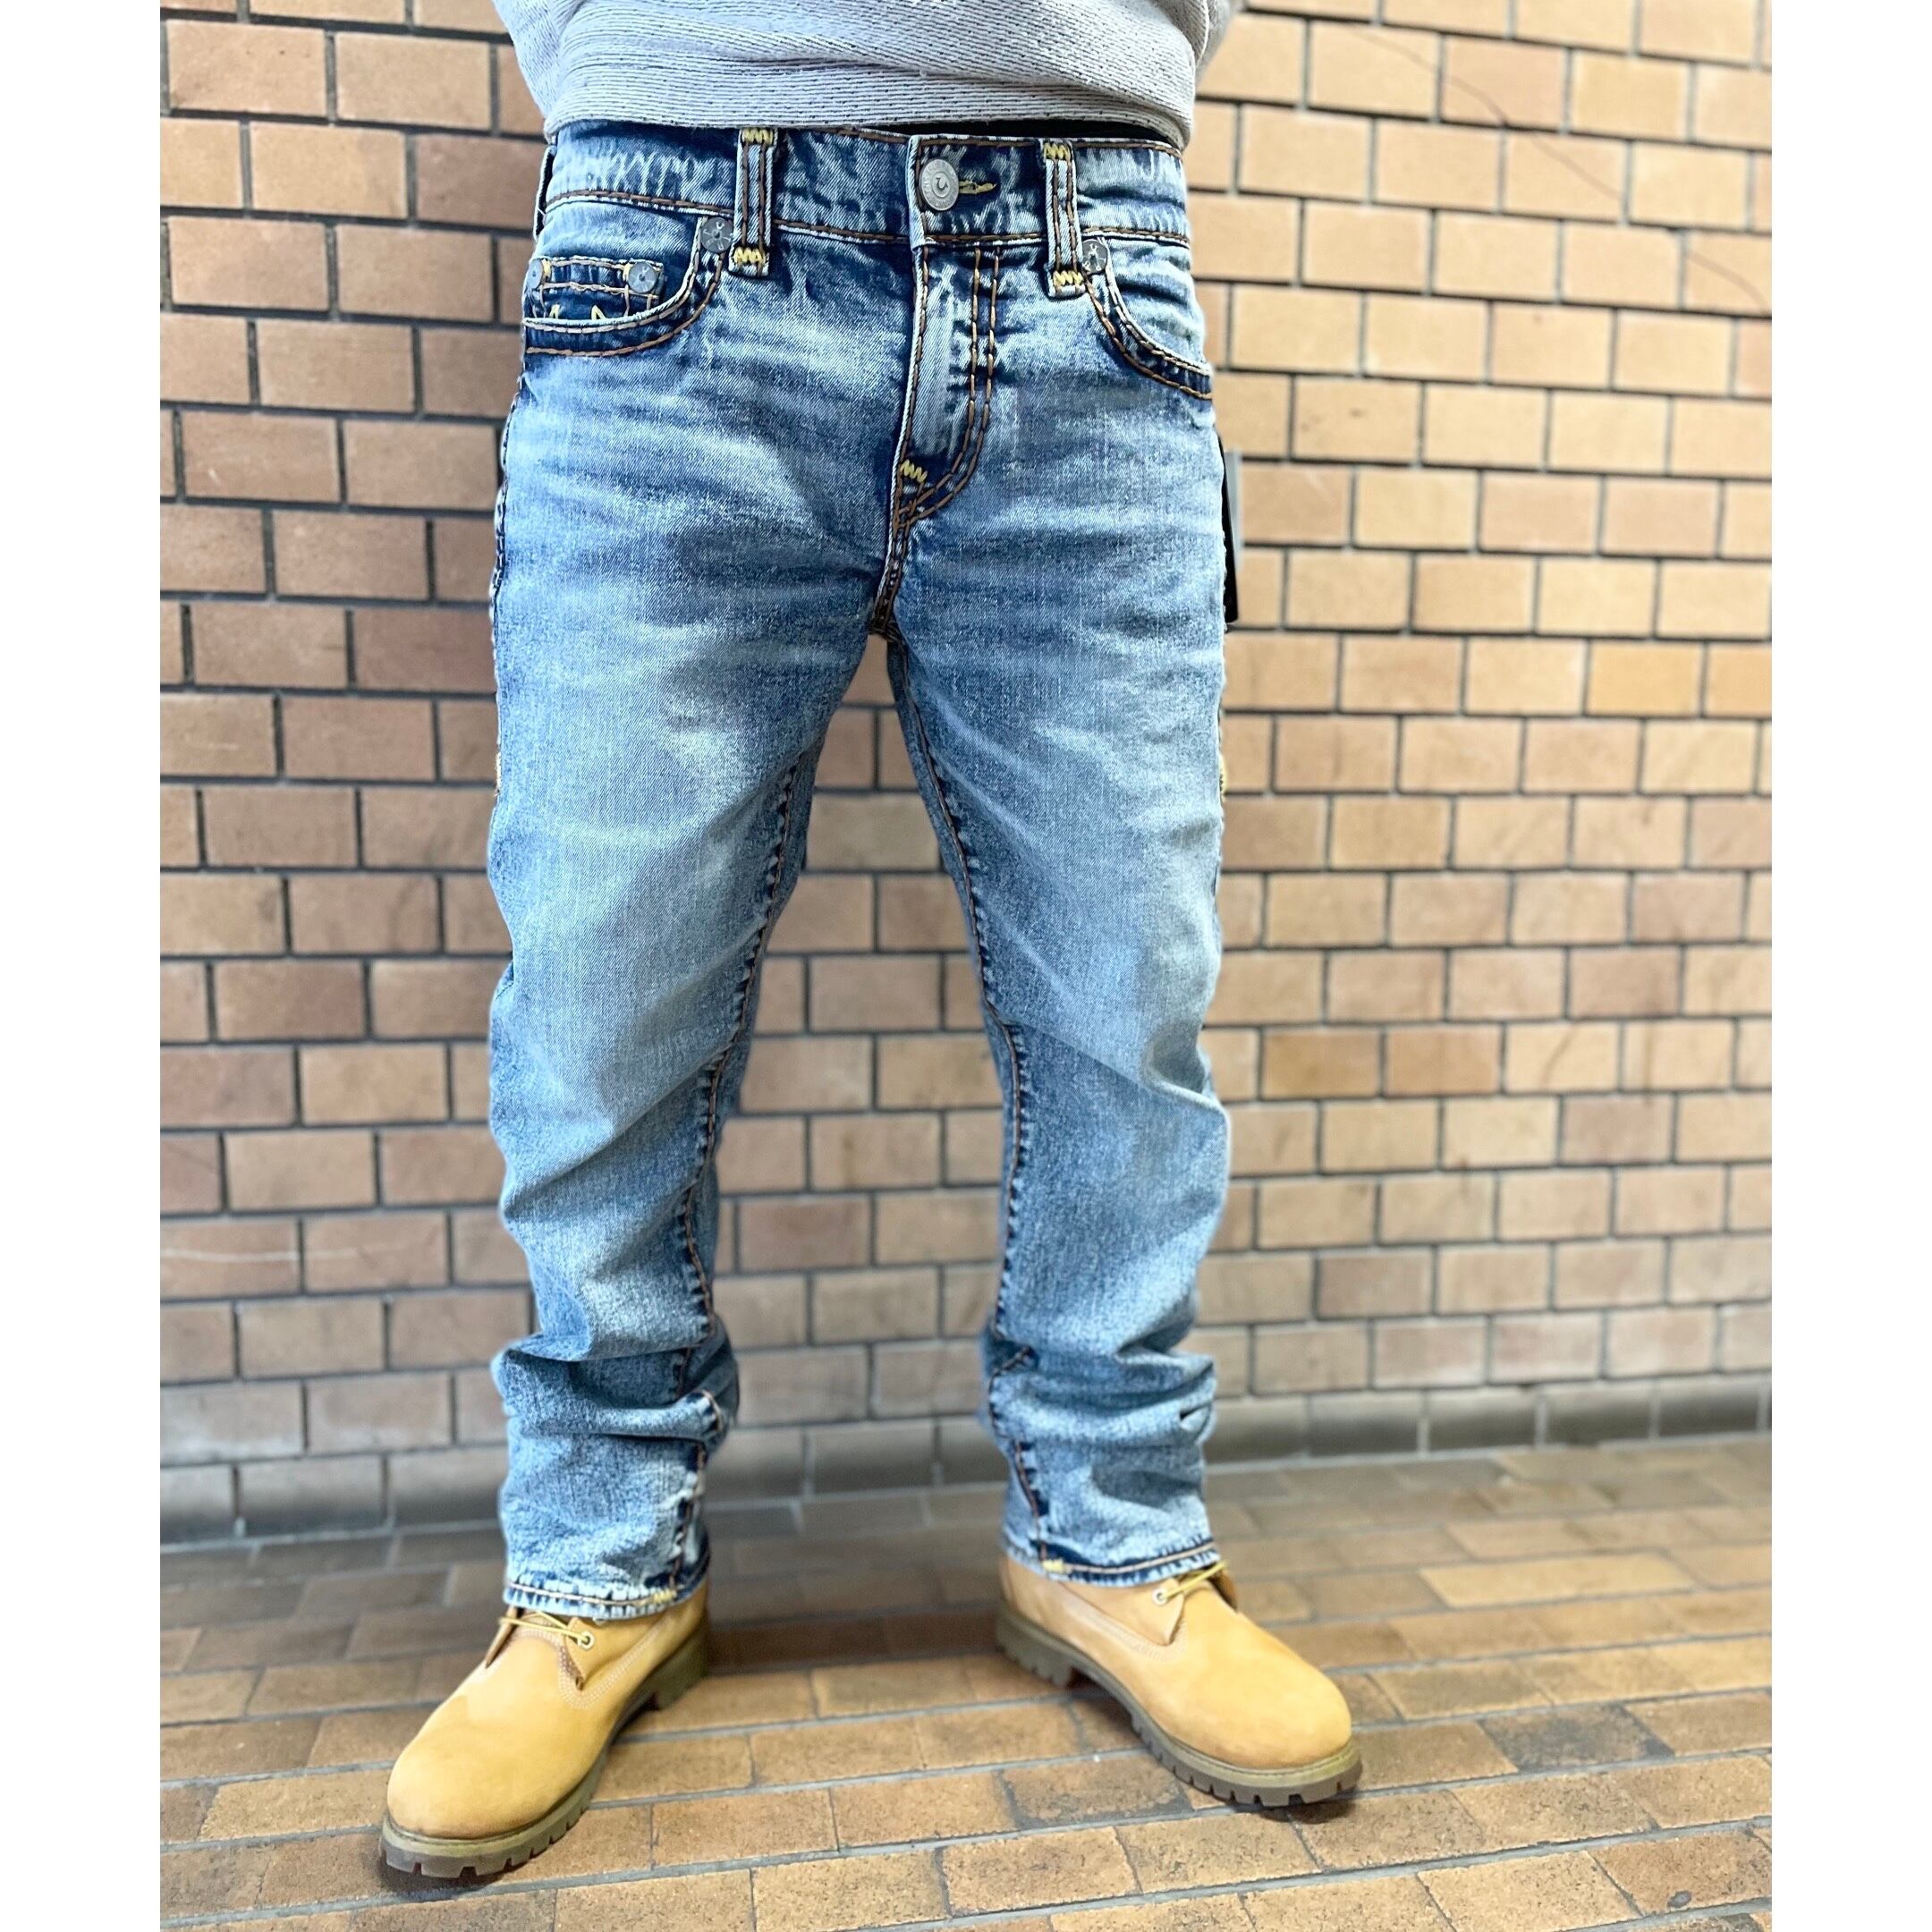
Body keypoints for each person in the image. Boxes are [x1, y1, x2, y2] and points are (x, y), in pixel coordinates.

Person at [381, 1, 1359, 1877]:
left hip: (1096, 264)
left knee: (1128, 991)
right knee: (602, 985)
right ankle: (598, 1566)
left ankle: (1112, 1539)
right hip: (666, 240)